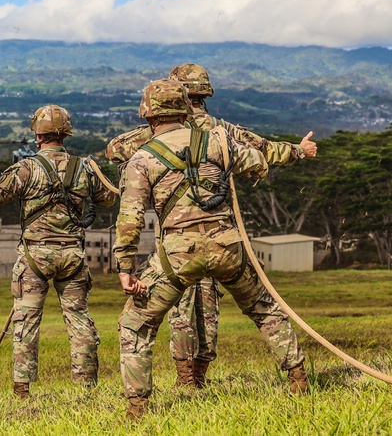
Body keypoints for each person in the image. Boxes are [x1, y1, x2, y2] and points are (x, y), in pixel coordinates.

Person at [106, 63, 317, 389]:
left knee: (154, 319)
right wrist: (298, 151)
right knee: (257, 309)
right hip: (226, 242)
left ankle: (164, 392)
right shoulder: (221, 133)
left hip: (178, 250)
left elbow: (116, 156)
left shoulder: (147, 146)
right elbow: (261, 154)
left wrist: (123, 266)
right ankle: (299, 379)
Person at [0, 105, 117, 397]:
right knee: (80, 320)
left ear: (37, 134)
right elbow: (107, 199)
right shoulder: (85, 167)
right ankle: (86, 388)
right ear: (66, 133)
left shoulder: (26, 168)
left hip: (35, 258)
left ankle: (22, 390)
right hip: (72, 256)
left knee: (26, 323)